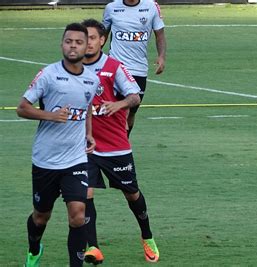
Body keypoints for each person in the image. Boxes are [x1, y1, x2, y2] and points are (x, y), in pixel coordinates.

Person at [18, 23, 99, 267]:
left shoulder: (92, 80)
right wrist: (51, 115)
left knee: (78, 216)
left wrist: (89, 134)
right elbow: (23, 108)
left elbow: (86, 110)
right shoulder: (48, 75)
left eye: (78, 42)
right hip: (45, 159)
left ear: (87, 46)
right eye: (68, 41)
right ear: (62, 44)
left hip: (75, 159)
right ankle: (34, 248)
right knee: (41, 216)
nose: (73, 46)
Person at [80, 19, 160, 265]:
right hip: (84, 145)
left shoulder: (113, 67)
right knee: (85, 193)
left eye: (93, 38)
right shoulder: (71, 69)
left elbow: (135, 96)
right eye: (84, 39)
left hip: (116, 144)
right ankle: (93, 246)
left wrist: (119, 103)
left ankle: (147, 236)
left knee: (131, 193)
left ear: (102, 40)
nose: (88, 42)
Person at [102, 0, 167, 136]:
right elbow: (102, 35)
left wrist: (161, 57)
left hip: (139, 69)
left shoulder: (151, 6)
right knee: (118, 111)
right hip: (115, 67)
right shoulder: (112, 7)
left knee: (131, 112)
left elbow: (159, 34)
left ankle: (124, 141)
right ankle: (118, 146)